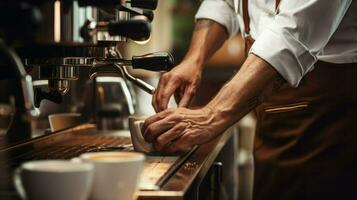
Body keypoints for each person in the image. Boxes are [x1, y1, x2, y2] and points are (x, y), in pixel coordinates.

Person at [142, 0, 357, 199]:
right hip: (275, 115)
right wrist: (194, 59)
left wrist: (211, 115)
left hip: (331, 115)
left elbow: (291, 35)